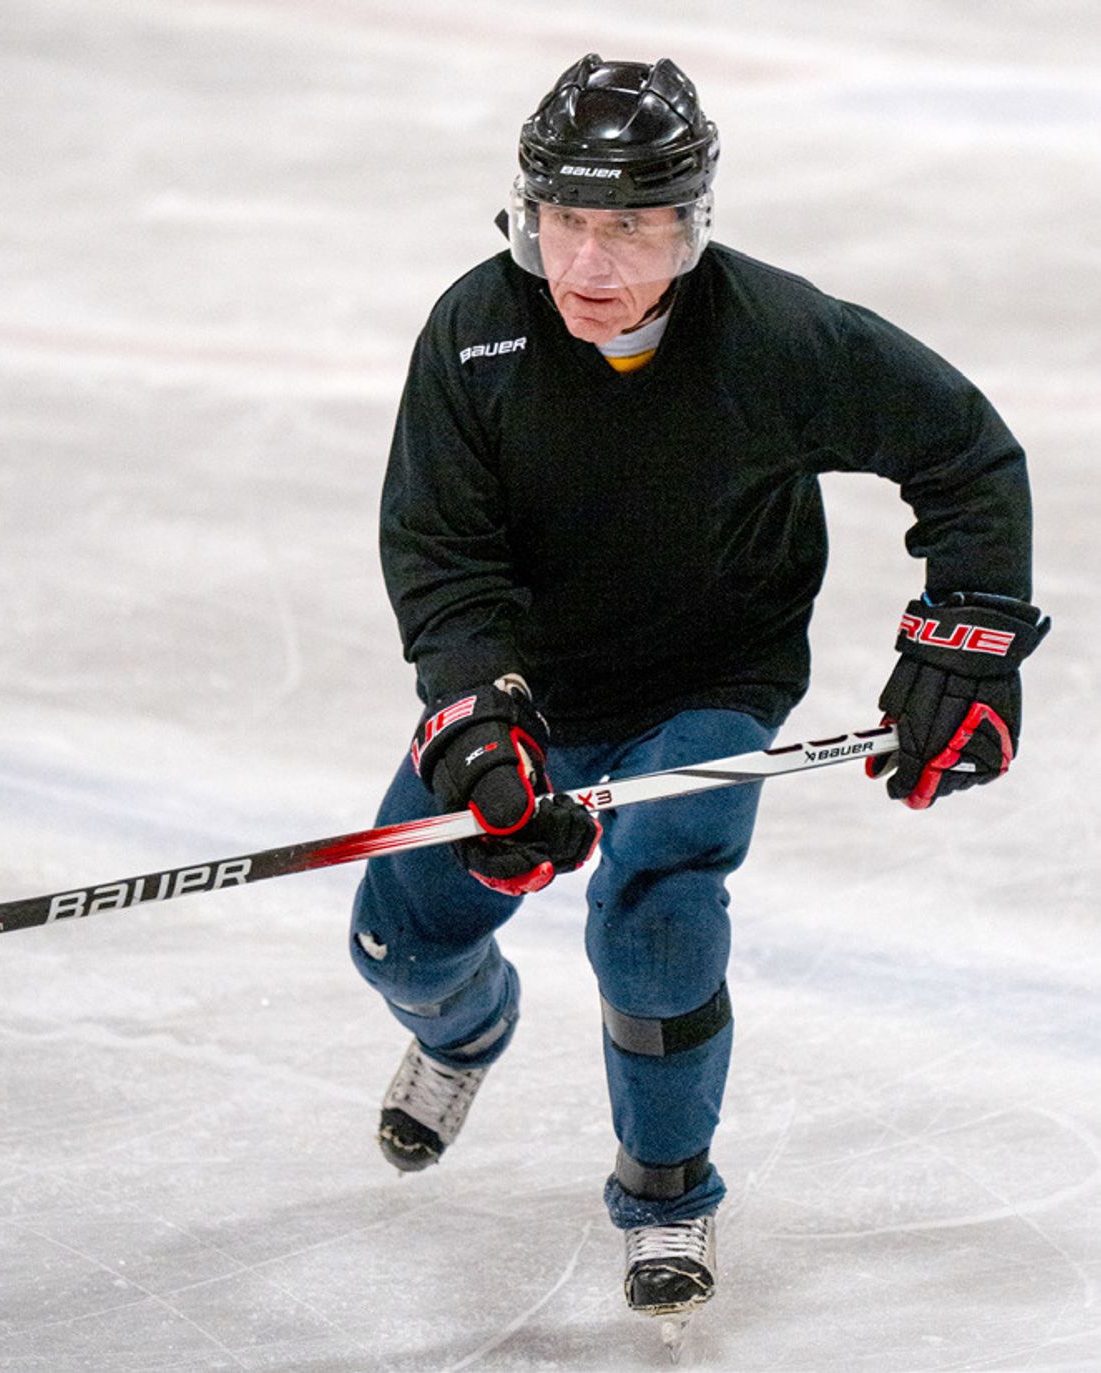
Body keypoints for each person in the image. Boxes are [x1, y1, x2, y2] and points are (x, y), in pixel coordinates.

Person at [349, 53, 1049, 1338]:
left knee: (661, 904)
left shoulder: (776, 337)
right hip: (537, 686)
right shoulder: (475, 333)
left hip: (710, 680)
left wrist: (972, 634)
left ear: (692, 224)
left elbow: (966, 455)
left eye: (628, 225)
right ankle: (465, 1031)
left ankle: (664, 1187)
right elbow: (442, 556)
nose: (588, 264)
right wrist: (483, 723)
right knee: (398, 934)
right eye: (564, 219)